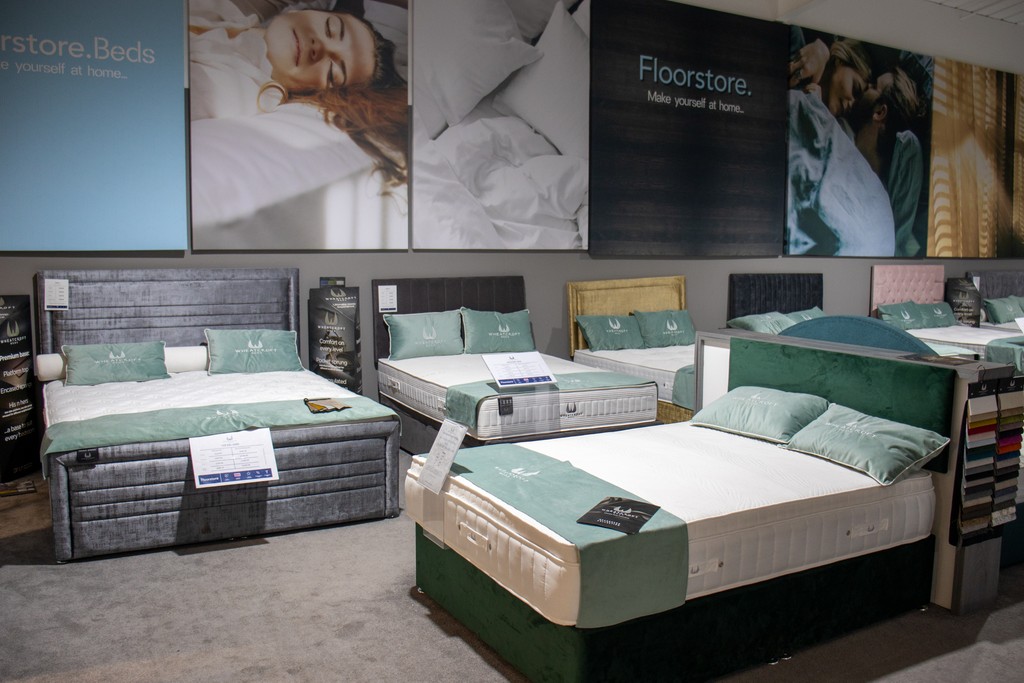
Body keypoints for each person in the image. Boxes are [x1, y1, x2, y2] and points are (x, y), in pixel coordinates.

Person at [189, 0, 407, 186]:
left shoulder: (229, 90)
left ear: (313, 94)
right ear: (304, 11)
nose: (318, 47)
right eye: (330, 28)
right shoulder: (236, 17)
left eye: (332, 73)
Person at [846, 67, 928, 256]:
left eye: (873, 86)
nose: (866, 87)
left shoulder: (907, 148)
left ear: (880, 111)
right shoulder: (842, 131)